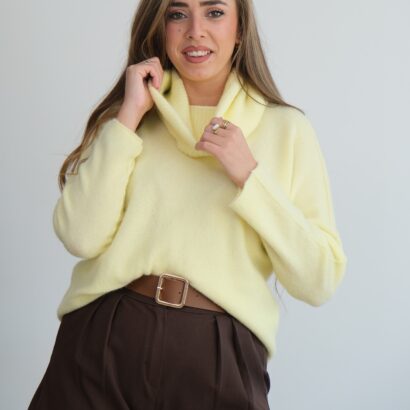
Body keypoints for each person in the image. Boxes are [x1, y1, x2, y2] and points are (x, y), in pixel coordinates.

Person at [28, 0, 348, 409]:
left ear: (240, 29)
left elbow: (318, 280)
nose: (195, 30)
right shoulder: (130, 116)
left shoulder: (287, 129)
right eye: (177, 14)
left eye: (214, 12)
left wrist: (249, 176)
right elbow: (80, 237)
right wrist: (128, 117)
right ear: (160, 27)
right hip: (103, 334)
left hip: (218, 349)